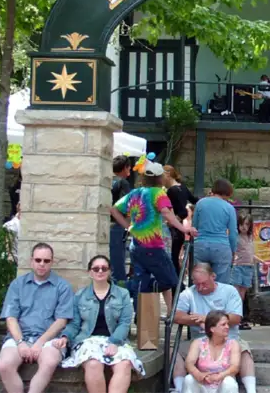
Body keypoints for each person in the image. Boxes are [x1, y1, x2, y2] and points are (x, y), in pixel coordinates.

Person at [110, 156, 196, 315]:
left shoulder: (135, 193)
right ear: (159, 177)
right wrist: (184, 229)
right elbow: (167, 213)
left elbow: (114, 209)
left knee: (141, 281)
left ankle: (141, 316)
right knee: (171, 280)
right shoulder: (159, 194)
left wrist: (128, 226)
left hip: (136, 244)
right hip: (153, 245)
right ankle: (126, 287)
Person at [57, 255, 144, 393]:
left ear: (109, 271)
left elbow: (124, 323)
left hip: (116, 339)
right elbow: (75, 324)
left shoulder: (123, 294)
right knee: (93, 364)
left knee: (125, 363)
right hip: (87, 340)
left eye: (104, 268)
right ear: (90, 272)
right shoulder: (80, 296)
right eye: (96, 268)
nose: (100, 271)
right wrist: (65, 336)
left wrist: (114, 342)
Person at [0, 243, 75, 393]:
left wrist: (40, 342)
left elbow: (61, 321)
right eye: (38, 260)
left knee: (49, 362)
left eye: (46, 261)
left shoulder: (62, 286)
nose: (42, 264)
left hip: (49, 339)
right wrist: (20, 342)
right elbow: (11, 317)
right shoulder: (18, 284)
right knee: (5, 365)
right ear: (31, 261)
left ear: (52, 262)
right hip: (20, 336)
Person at [173, 263, 258, 393]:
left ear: (213, 276)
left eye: (204, 283)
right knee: (174, 351)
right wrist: (197, 321)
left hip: (229, 337)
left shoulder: (229, 291)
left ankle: (251, 389)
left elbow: (236, 318)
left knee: (244, 352)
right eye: (197, 284)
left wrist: (207, 320)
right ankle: (179, 388)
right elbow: (177, 316)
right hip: (200, 338)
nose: (201, 287)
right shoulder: (189, 293)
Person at [183, 310, 241, 393]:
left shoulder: (233, 344)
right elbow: (189, 363)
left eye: (227, 324)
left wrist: (219, 376)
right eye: (223, 324)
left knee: (229, 382)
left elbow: (235, 367)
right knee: (189, 379)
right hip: (203, 384)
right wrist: (199, 375)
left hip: (222, 384)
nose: (227, 327)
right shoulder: (198, 343)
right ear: (212, 329)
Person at [193, 179, 238, 284]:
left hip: (201, 245)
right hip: (221, 247)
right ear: (227, 193)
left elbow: (194, 226)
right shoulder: (229, 208)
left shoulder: (200, 203)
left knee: (200, 280)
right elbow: (233, 233)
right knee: (220, 284)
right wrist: (233, 250)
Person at [164, 165, 198, 275]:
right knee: (174, 259)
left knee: (171, 259)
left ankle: (175, 286)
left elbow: (182, 212)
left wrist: (171, 221)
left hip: (173, 230)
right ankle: (177, 285)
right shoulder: (182, 187)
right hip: (179, 231)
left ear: (167, 175)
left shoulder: (171, 191)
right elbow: (194, 200)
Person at [230, 212, 259, 330]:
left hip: (248, 267)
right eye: (241, 224)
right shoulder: (236, 237)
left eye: (247, 224)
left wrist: (262, 261)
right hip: (238, 266)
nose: (244, 227)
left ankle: (239, 318)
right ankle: (235, 318)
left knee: (242, 295)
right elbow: (233, 251)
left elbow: (251, 255)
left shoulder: (250, 238)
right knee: (236, 294)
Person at [110, 155, 132, 283]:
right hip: (118, 225)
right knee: (118, 261)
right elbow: (128, 205)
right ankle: (120, 289)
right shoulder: (122, 182)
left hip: (104, 224)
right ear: (125, 168)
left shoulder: (107, 180)